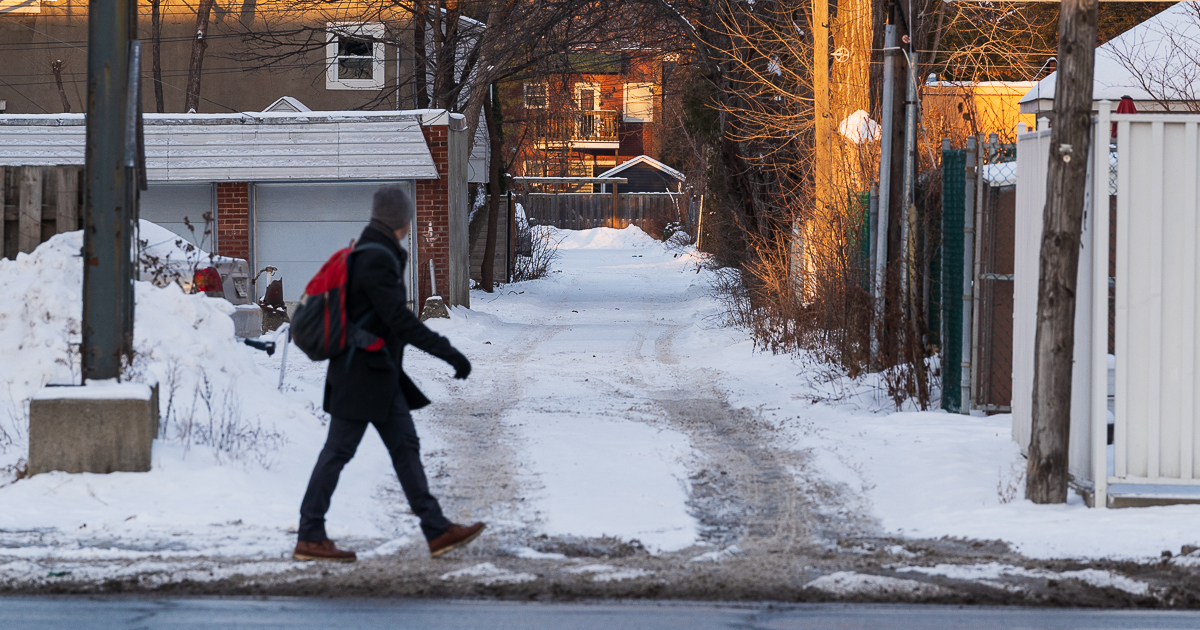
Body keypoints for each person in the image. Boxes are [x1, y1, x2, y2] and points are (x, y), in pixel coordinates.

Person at [293, 185, 485, 562]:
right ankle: (310, 535)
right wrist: (449, 353)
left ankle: (436, 529)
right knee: (338, 452)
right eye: (408, 216)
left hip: (376, 374)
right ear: (401, 219)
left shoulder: (373, 251)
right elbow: (399, 320)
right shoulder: (376, 259)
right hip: (360, 375)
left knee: (404, 448)